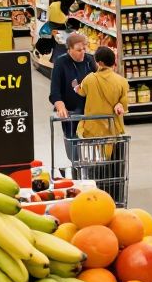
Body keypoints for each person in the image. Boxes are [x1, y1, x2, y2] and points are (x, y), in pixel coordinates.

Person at [75, 46, 130, 194]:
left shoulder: (90, 79)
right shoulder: (122, 82)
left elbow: (81, 92)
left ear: (98, 62)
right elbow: (123, 105)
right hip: (113, 131)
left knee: (93, 167)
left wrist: (75, 87)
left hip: (92, 130)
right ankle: (112, 194)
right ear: (113, 62)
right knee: (113, 167)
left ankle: (95, 194)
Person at [49, 32, 97, 139]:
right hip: (71, 112)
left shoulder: (90, 60)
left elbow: (100, 82)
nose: (83, 52)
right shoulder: (61, 63)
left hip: (90, 111)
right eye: (79, 50)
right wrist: (60, 105)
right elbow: (55, 90)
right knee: (73, 143)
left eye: (84, 49)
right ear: (69, 49)